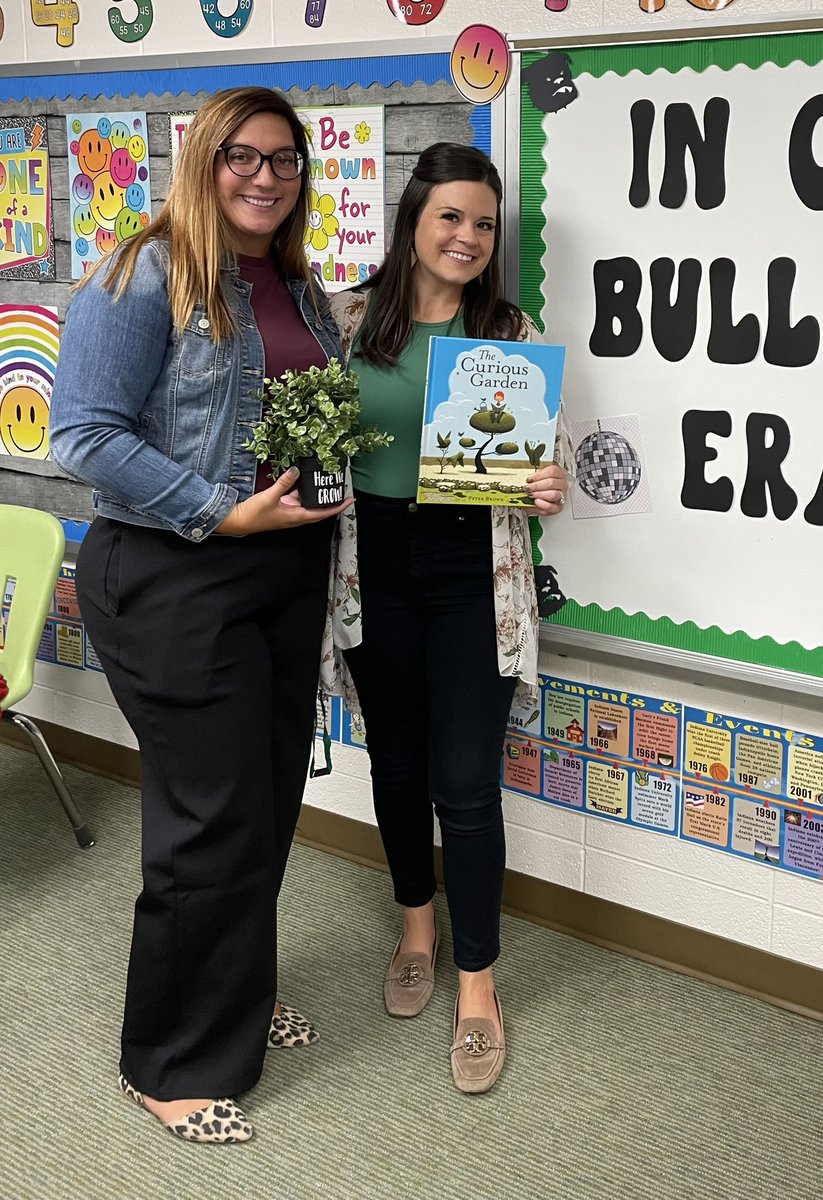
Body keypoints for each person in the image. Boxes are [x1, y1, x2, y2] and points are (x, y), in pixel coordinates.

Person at [50, 87, 347, 1144]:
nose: (265, 177)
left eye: (285, 160)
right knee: (208, 818)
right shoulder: (143, 274)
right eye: (241, 155)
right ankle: (166, 1062)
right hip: (177, 574)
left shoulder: (301, 289)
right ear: (201, 159)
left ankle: (237, 1004)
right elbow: (80, 435)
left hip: (282, 571)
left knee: (262, 805)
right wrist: (218, 511)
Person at [326, 141, 569, 1094]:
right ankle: (414, 930)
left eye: (482, 223)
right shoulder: (346, 319)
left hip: (474, 572)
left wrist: (546, 488)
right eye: (450, 217)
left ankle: (478, 988)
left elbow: (540, 466)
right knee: (396, 765)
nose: (467, 237)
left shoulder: (509, 330)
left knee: (466, 785)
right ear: (412, 221)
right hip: (373, 567)